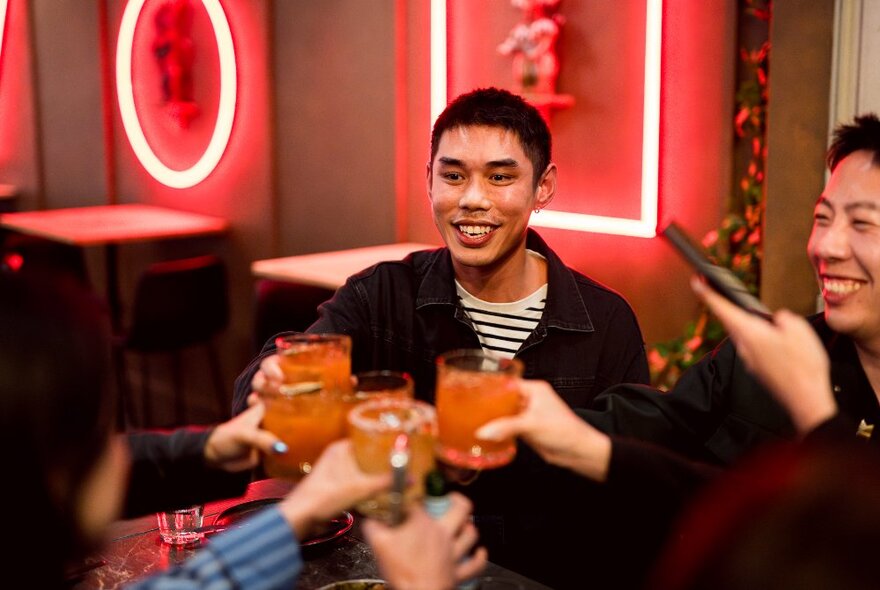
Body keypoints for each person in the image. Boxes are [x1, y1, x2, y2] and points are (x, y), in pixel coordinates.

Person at [233, 87, 649, 585]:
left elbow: (632, 489)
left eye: (500, 177)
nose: (473, 200)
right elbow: (264, 389)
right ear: (428, 180)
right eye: (453, 176)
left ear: (543, 186)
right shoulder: (381, 294)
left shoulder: (604, 322)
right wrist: (273, 385)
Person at [0, 271, 485, 589]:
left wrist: (293, 502)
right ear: (52, 476)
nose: (123, 452)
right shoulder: (379, 289)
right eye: (106, 435)